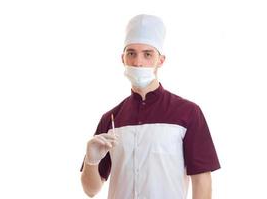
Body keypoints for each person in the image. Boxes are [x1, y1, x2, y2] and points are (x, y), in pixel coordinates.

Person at [80, 14, 220, 199]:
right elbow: (91, 190)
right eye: (131, 53)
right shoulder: (111, 119)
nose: (138, 62)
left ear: (160, 60)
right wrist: (91, 161)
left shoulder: (188, 113)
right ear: (123, 58)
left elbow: (202, 181)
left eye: (147, 54)